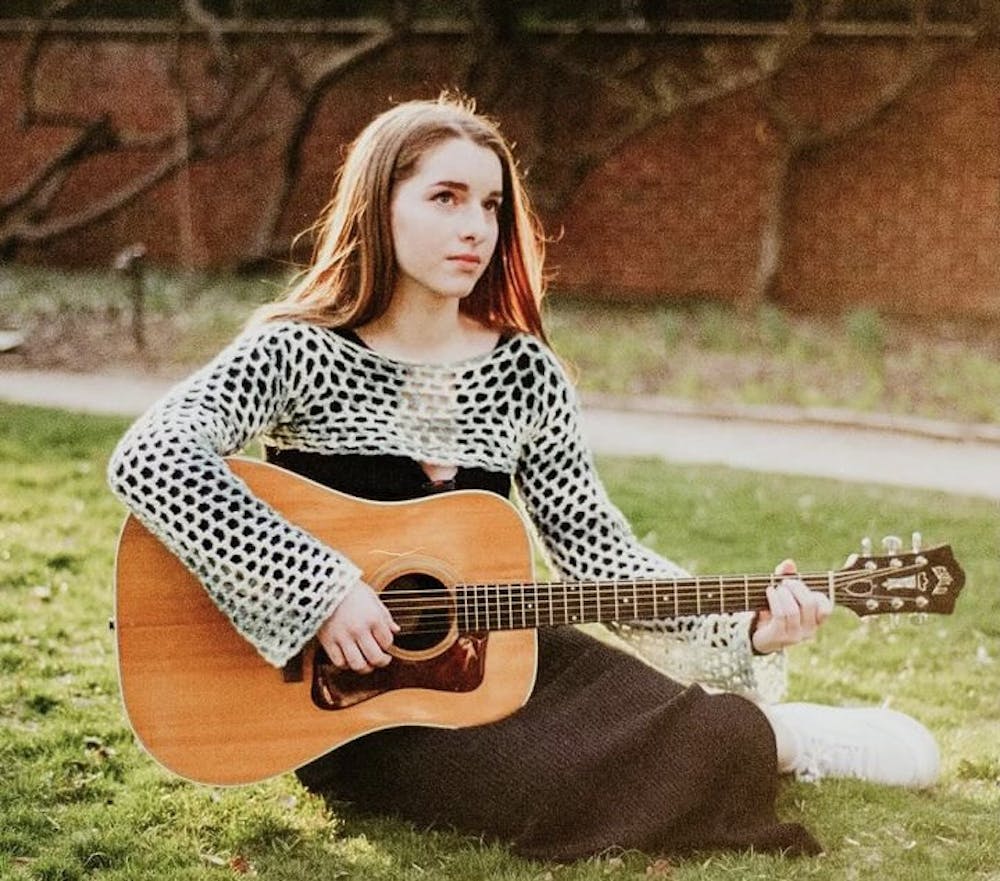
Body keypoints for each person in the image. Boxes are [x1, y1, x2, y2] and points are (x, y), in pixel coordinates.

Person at [108, 94, 939, 862]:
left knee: (661, 726)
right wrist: (319, 587)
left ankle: (780, 735)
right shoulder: (296, 350)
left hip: (504, 646)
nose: (476, 225)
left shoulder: (524, 374)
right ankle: (772, 741)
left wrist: (743, 630)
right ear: (378, 205)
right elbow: (152, 455)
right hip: (351, 707)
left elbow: (598, 551)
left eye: (491, 205)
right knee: (548, 787)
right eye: (446, 198)